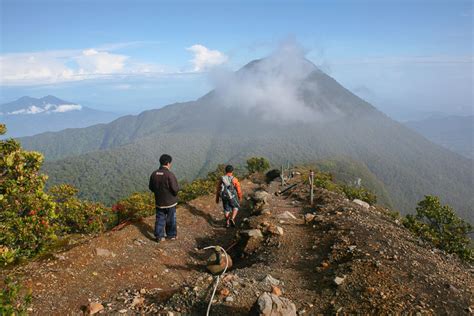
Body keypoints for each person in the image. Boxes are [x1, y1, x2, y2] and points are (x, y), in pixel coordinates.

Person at [149, 154, 180, 242]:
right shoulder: (169, 175)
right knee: (171, 219)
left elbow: (151, 187)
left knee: (159, 219)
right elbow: (175, 189)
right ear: (168, 163)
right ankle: (171, 235)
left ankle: (159, 236)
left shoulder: (154, 174)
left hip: (159, 202)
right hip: (170, 202)